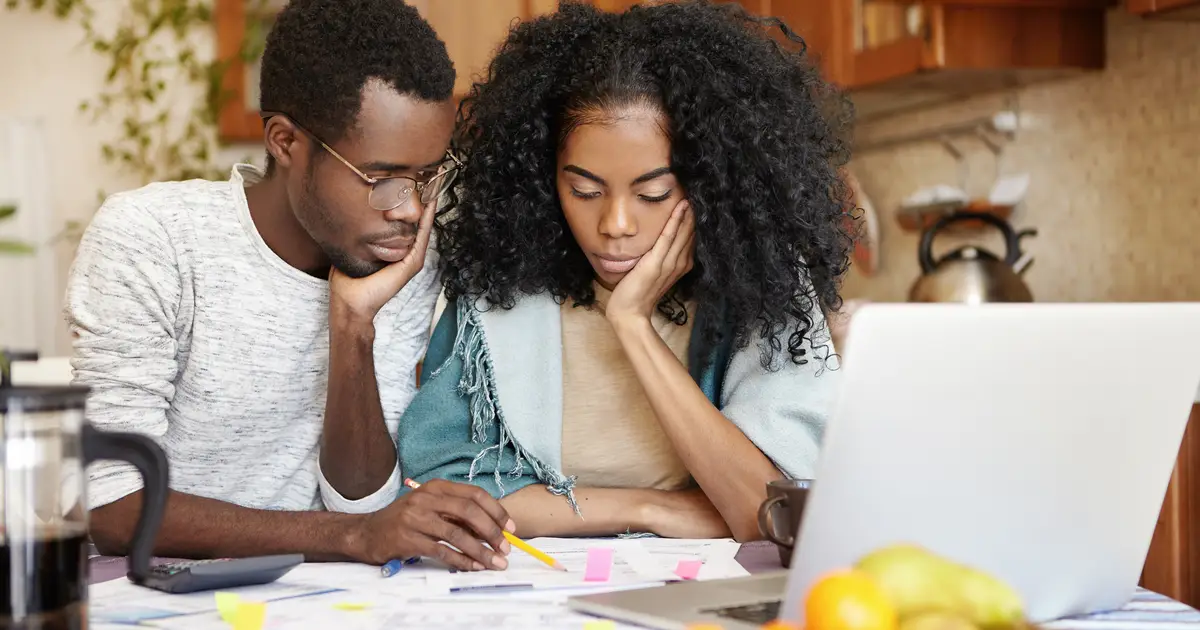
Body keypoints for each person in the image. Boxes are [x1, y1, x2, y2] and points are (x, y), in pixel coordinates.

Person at [65, 0, 513, 572]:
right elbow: (115, 508)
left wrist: (353, 327)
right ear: (284, 141)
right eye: (382, 179)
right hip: (154, 600)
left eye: (430, 176)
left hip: (315, 598)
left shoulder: (399, 255)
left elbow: (363, 503)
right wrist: (351, 537)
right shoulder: (152, 239)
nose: (412, 209)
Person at [395, 0, 855, 542]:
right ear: (547, 181)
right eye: (584, 190)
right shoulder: (500, 282)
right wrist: (651, 509)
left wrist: (634, 325)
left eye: (653, 193)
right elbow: (442, 487)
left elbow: (770, 514)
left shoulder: (765, 284)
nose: (614, 224)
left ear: (709, 183)